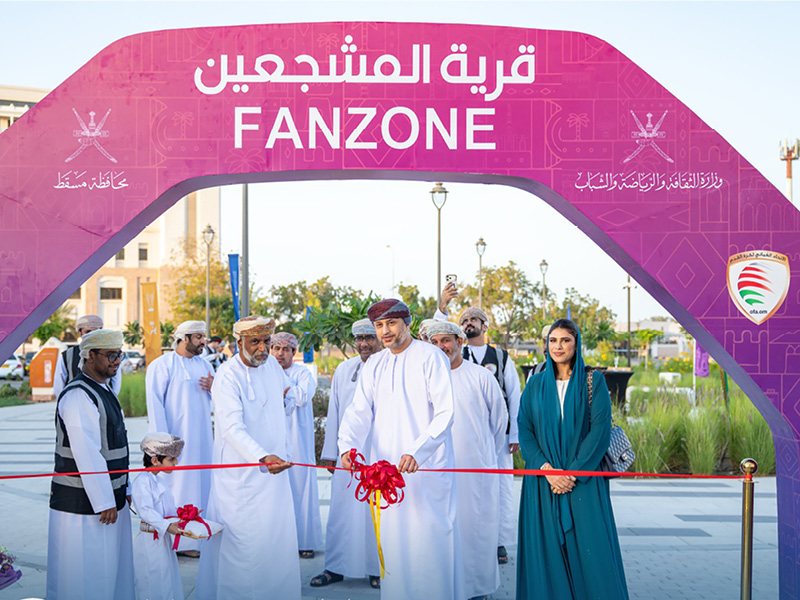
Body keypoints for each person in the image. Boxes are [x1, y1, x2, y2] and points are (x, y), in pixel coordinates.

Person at [338, 299, 464, 600]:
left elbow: (446, 412)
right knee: (394, 545)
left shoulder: (431, 357)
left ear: (407, 323)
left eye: (391, 323)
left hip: (426, 469)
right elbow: (358, 412)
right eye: (379, 325)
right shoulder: (376, 364)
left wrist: (418, 451)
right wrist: (348, 447)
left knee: (429, 546)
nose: (385, 331)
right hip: (387, 473)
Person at [517, 319, 629, 599]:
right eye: (553, 340)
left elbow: (600, 431)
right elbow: (525, 430)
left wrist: (572, 474)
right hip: (543, 483)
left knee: (592, 553)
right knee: (546, 552)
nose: (558, 346)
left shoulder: (595, 381)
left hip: (584, 482)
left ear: (576, 344)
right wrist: (548, 471)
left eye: (565, 340)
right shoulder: (535, 384)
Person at [196, 316, 300, 600]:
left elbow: (287, 397)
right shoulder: (227, 376)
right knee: (243, 547)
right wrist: (262, 456)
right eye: (255, 342)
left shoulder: (272, 369)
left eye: (266, 341)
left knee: (276, 541)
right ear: (238, 343)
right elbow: (230, 428)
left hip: (275, 472)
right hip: (241, 478)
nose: (262, 349)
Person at [436, 283, 522, 565]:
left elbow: (513, 396)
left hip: (496, 437)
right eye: (464, 320)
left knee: (498, 488)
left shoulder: (500, 357)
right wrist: (443, 307)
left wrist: (513, 434)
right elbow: (434, 336)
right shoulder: (452, 356)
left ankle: (497, 541)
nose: (468, 323)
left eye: (473, 319)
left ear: (484, 326)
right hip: (463, 436)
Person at [47, 328, 134, 600]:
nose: (117, 361)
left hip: (108, 499)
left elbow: (117, 444)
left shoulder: (103, 389)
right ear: (90, 356)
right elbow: (87, 452)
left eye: (119, 355)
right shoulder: (78, 395)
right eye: (111, 355)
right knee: (85, 576)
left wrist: (125, 487)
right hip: (82, 506)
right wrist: (104, 500)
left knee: (110, 572)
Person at [429, 321, 507, 600]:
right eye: (435, 342)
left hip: (475, 469)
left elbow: (499, 422)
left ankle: (477, 589)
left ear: (460, 342)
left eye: (445, 341)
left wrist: (483, 452)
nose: (440, 347)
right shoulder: (426, 380)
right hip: (437, 471)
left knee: (475, 530)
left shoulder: (481, 376)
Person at [311, 318, 381, 589]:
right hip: (347, 455)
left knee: (375, 512)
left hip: (378, 453)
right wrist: (332, 452)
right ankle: (335, 568)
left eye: (369, 338)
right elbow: (335, 412)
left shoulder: (390, 367)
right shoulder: (344, 369)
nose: (364, 344)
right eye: (360, 339)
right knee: (341, 513)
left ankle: (377, 569)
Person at [145, 320, 214, 557]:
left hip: (203, 442)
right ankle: (179, 541)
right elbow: (155, 405)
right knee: (176, 488)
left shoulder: (206, 365)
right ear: (184, 338)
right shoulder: (161, 365)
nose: (203, 341)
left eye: (203, 336)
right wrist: (163, 445)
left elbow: (221, 402)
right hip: (174, 442)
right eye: (198, 337)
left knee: (201, 484)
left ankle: (198, 538)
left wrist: (215, 388)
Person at [270, 331, 322, 559]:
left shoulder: (303, 373)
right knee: (275, 493)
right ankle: (280, 543)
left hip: (298, 442)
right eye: (276, 348)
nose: (279, 354)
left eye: (285, 349)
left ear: (294, 351)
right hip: (273, 441)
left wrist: (285, 392)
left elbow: (302, 397)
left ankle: (305, 542)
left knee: (302, 490)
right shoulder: (266, 372)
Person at [131, 433, 186, 600]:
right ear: (155, 460)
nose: (176, 463)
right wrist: (167, 526)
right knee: (152, 581)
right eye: (171, 459)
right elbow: (146, 510)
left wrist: (184, 515)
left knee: (167, 580)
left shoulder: (160, 481)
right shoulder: (142, 481)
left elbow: (168, 511)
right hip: (150, 541)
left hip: (163, 539)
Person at [53, 314, 120, 397]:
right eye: (88, 332)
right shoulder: (67, 356)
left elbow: (116, 382)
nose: (91, 335)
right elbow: (58, 386)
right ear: (80, 333)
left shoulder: (110, 354)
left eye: (95, 332)